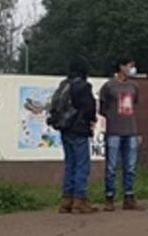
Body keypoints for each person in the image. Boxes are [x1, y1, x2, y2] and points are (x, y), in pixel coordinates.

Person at [55, 57, 98, 214]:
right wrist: (91, 120)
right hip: (79, 129)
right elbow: (89, 107)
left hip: (64, 128)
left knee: (70, 164)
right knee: (82, 165)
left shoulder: (64, 84)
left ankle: (66, 200)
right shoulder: (83, 86)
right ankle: (80, 201)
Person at [100, 57, 140, 211]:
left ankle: (129, 196)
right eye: (129, 65)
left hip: (131, 130)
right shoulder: (109, 86)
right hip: (114, 130)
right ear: (121, 66)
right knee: (111, 166)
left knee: (130, 166)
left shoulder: (134, 86)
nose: (131, 68)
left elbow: (136, 103)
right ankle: (109, 197)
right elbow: (102, 108)